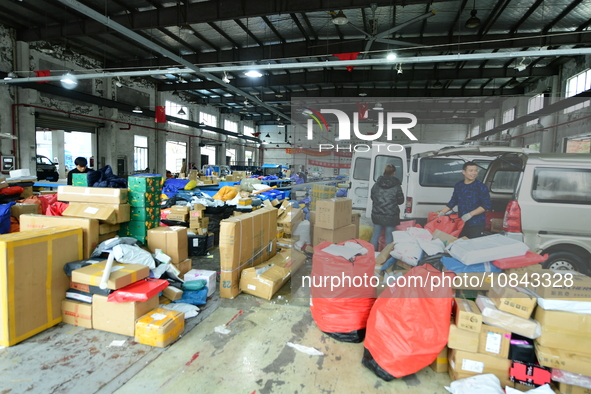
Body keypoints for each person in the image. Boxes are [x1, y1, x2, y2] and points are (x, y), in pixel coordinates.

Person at [438, 161, 492, 238]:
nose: (474, 173)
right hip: (461, 222)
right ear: (464, 172)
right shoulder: (459, 185)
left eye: (476, 170)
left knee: (474, 245)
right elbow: (453, 200)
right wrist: (442, 212)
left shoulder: (481, 187)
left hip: (476, 223)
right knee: (460, 243)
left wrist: (470, 214)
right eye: (471, 171)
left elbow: (486, 205)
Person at [369, 164, 404, 252]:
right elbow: (401, 201)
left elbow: (372, 196)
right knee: (389, 237)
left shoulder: (377, 184)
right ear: (394, 173)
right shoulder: (396, 186)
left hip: (377, 214)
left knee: (375, 236)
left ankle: (371, 257)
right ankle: (386, 258)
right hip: (391, 215)